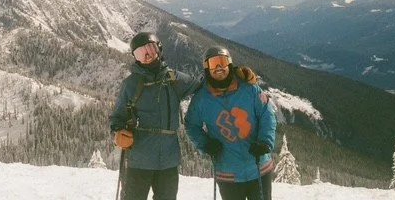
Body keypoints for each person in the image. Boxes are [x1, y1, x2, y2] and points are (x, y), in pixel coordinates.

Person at [110, 31, 201, 200]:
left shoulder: (174, 79)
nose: (147, 56)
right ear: (135, 57)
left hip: (168, 162)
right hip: (139, 160)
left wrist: (235, 77)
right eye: (140, 53)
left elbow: (201, 85)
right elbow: (117, 118)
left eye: (150, 50)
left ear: (159, 49)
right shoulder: (130, 85)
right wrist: (118, 132)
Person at [185, 46, 276, 200]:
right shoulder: (201, 99)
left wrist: (265, 142)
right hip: (228, 173)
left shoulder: (249, 88)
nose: (219, 68)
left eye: (223, 62)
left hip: (258, 166)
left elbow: (266, 113)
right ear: (207, 68)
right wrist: (205, 144)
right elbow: (191, 125)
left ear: (230, 64)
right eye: (214, 64)